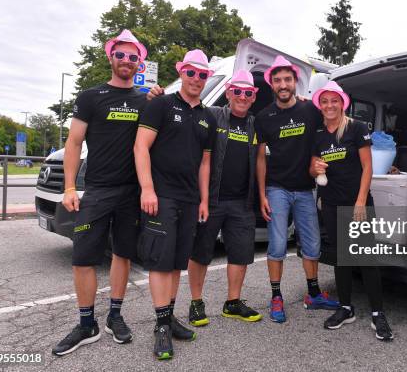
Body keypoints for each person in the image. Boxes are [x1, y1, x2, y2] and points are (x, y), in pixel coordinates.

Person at [53, 29, 147, 356]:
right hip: (96, 190)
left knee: (123, 254)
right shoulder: (90, 97)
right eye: (120, 54)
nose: (126, 60)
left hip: (130, 193)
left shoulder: (145, 100)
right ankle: (86, 323)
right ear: (111, 57)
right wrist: (68, 186)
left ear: (139, 62)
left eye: (132, 56)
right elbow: (74, 143)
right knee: (83, 257)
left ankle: (115, 316)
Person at [147, 70, 263, 326]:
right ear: (229, 93)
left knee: (241, 253)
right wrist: (155, 97)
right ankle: (196, 303)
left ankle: (233, 302)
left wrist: (302, 101)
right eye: (237, 91)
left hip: (243, 201)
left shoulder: (257, 124)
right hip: (210, 199)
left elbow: (264, 155)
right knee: (200, 253)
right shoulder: (212, 115)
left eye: (248, 93)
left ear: (254, 97)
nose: (242, 97)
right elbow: (185, 112)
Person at [134, 49, 217, 360]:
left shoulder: (207, 117)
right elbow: (141, 146)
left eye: (202, 74)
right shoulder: (162, 104)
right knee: (160, 261)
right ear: (182, 72)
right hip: (161, 196)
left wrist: (204, 199)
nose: (196, 79)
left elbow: (205, 164)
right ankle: (160, 326)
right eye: (191, 72)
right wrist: (147, 189)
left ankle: (168, 318)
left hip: (189, 199)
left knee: (177, 263)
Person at [255, 55, 339, 323]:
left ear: (295, 82)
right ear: (271, 84)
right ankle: (276, 296)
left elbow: (330, 126)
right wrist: (261, 195)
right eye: (277, 80)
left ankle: (313, 294)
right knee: (277, 245)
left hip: (306, 189)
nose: (283, 84)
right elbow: (259, 158)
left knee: (312, 244)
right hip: (277, 189)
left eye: (287, 79)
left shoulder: (310, 111)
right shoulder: (264, 117)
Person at [309, 80, 394, 341]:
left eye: (334, 100)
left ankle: (378, 313)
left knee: (366, 260)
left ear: (342, 103)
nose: (329, 105)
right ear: (320, 106)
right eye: (324, 101)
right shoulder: (318, 135)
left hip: (357, 204)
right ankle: (346, 308)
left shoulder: (356, 128)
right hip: (331, 204)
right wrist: (316, 170)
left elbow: (368, 167)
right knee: (342, 259)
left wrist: (360, 202)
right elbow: (312, 169)